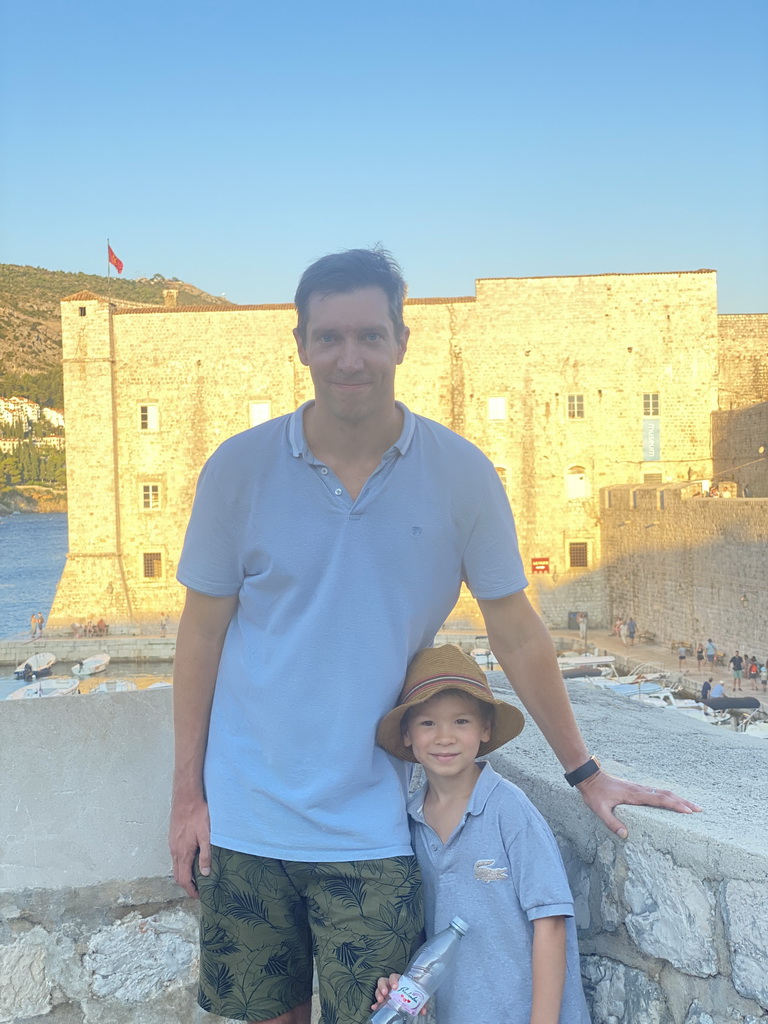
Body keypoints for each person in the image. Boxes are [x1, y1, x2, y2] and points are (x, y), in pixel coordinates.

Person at [169, 248, 699, 1024]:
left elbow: (516, 630)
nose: (350, 358)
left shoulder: (459, 474)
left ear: (401, 340)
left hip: (374, 828)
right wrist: (187, 796)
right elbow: (201, 638)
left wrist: (583, 769)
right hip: (247, 821)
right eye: (329, 337)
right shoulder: (238, 471)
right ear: (301, 344)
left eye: (370, 336)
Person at [372, 645, 590, 1024]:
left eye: (461, 722)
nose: (445, 737)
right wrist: (399, 985)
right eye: (427, 724)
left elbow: (551, 921)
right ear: (406, 734)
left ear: (485, 728)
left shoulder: (509, 810)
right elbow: (424, 940)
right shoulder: (408, 822)